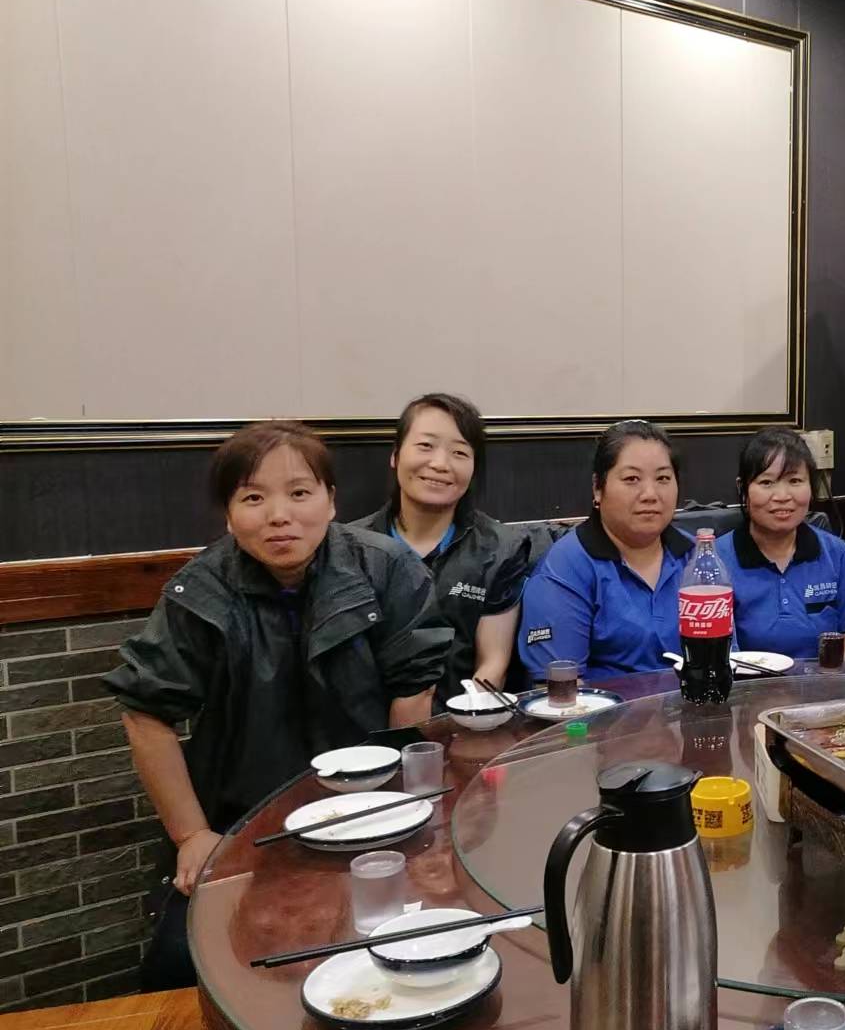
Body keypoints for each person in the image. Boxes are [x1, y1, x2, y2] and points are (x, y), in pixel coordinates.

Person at [105, 420, 450, 988]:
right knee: (177, 968)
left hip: (364, 809)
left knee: (396, 953)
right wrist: (192, 836)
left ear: (330, 501)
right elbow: (145, 712)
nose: (279, 515)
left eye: (299, 492)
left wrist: (394, 812)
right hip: (240, 824)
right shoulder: (202, 589)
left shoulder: (386, 568)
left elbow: (411, 690)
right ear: (228, 514)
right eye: (253, 498)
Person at [354, 393, 543, 708]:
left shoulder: (500, 549)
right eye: (425, 446)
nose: (440, 464)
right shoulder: (351, 547)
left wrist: (462, 720)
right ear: (395, 455)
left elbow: (492, 666)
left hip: (460, 721)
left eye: (459, 452)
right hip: (368, 729)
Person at [518, 420, 691, 680]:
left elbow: (723, 657)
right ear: (598, 488)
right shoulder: (567, 565)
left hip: (698, 702)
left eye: (663, 478)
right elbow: (558, 687)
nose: (650, 494)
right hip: (602, 706)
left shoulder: (697, 556)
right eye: (632, 479)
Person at [717, 427, 845, 659]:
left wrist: (842, 680)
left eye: (795, 480)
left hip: (826, 681)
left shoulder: (836, 553)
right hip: (746, 680)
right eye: (767, 482)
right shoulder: (717, 559)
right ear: (742, 489)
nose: (782, 496)